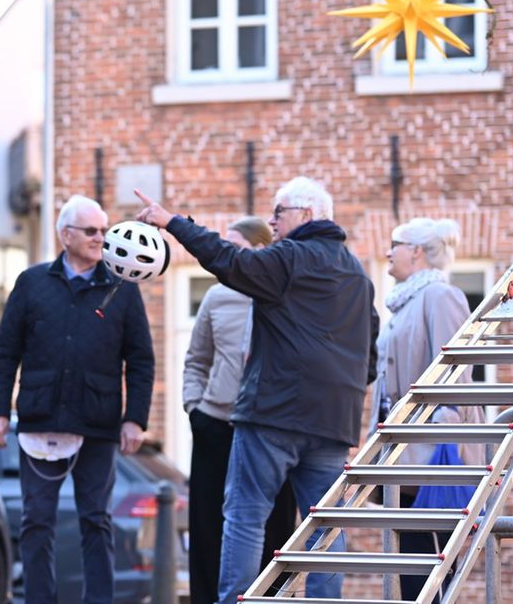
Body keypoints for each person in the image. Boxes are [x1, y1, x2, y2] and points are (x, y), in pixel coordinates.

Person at [134, 177, 377, 603]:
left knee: (245, 516)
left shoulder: (290, 258)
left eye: (278, 211)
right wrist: (343, 389)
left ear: (306, 214)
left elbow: (228, 260)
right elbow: (370, 355)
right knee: (326, 523)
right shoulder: (357, 274)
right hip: (333, 423)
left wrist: (173, 222)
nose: (271, 220)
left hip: (273, 415)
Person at [0, 194, 156, 604]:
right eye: (92, 230)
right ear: (65, 235)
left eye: (105, 230)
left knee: (96, 520)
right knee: (36, 522)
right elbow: (6, 351)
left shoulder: (122, 287)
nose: (102, 238)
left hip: (97, 424)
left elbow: (141, 360)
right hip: (40, 418)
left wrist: (135, 418)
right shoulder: (32, 283)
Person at [183, 216, 297, 604]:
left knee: (275, 526)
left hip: (269, 427)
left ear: (263, 252)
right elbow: (196, 360)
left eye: (237, 248)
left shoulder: (285, 295)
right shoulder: (216, 297)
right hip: (215, 425)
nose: (227, 257)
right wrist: (194, 409)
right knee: (208, 526)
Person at [372, 216, 476, 601]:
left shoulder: (439, 296)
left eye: (394, 244)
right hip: (403, 452)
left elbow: (455, 372)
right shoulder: (406, 301)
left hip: (430, 456)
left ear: (415, 252)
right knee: (412, 568)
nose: (387, 251)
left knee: (428, 571)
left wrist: (438, 438)